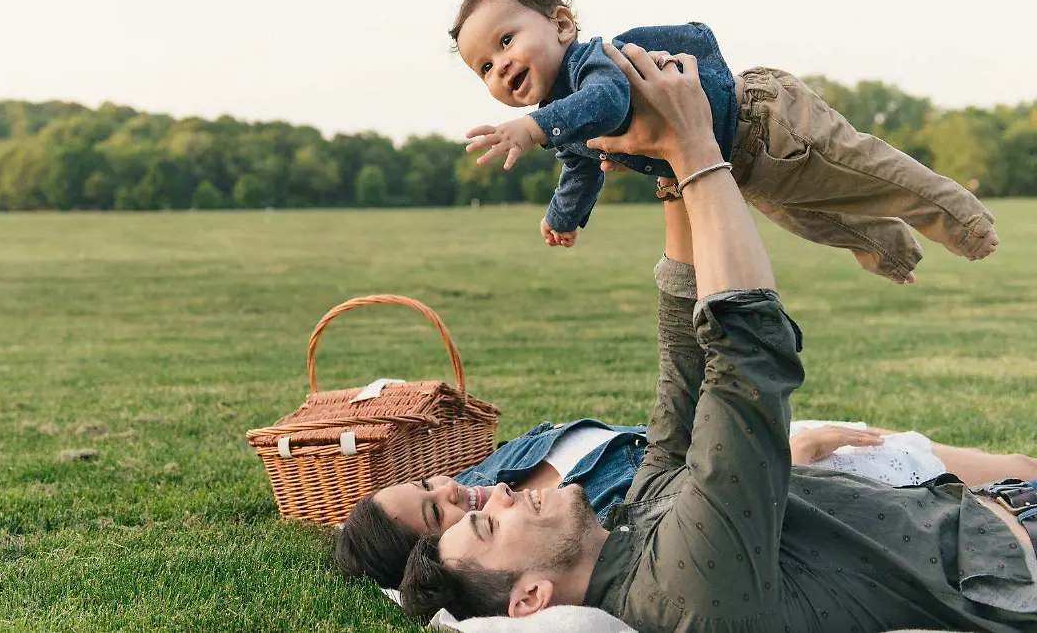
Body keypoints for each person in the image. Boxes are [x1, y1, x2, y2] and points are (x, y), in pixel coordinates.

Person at [398, 42, 1037, 632]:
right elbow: (747, 362)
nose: (501, 495)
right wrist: (696, 149)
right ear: (531, 599)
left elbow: (684, 365)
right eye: (489, 525)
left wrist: (668, 172)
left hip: (989, 508)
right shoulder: (682, 589)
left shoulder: (632, 525)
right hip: (1015, 557)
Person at [450, 0, 998, 284]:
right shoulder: (568, 121)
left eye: (506, 40)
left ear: (562, 25)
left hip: (768, 120)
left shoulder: (594, 64)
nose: (500, 65)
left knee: (866, 172)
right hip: (737, 167)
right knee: (819, 221)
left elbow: (608, 101)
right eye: (485, 67)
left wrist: (533, 127)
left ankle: (963, 219)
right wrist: (562, 215)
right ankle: (895, 253)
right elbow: (581, 169)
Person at [336, 415, 1036, 590]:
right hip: (780, 468)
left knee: (1017, 471)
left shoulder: (499, 471)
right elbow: (696, 510)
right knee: (1012, 483)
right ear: (443, 550)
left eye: (428, 484)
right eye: (437, 511)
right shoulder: (565, 534)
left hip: (759, 438)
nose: (449, 488)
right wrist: (784, 455)